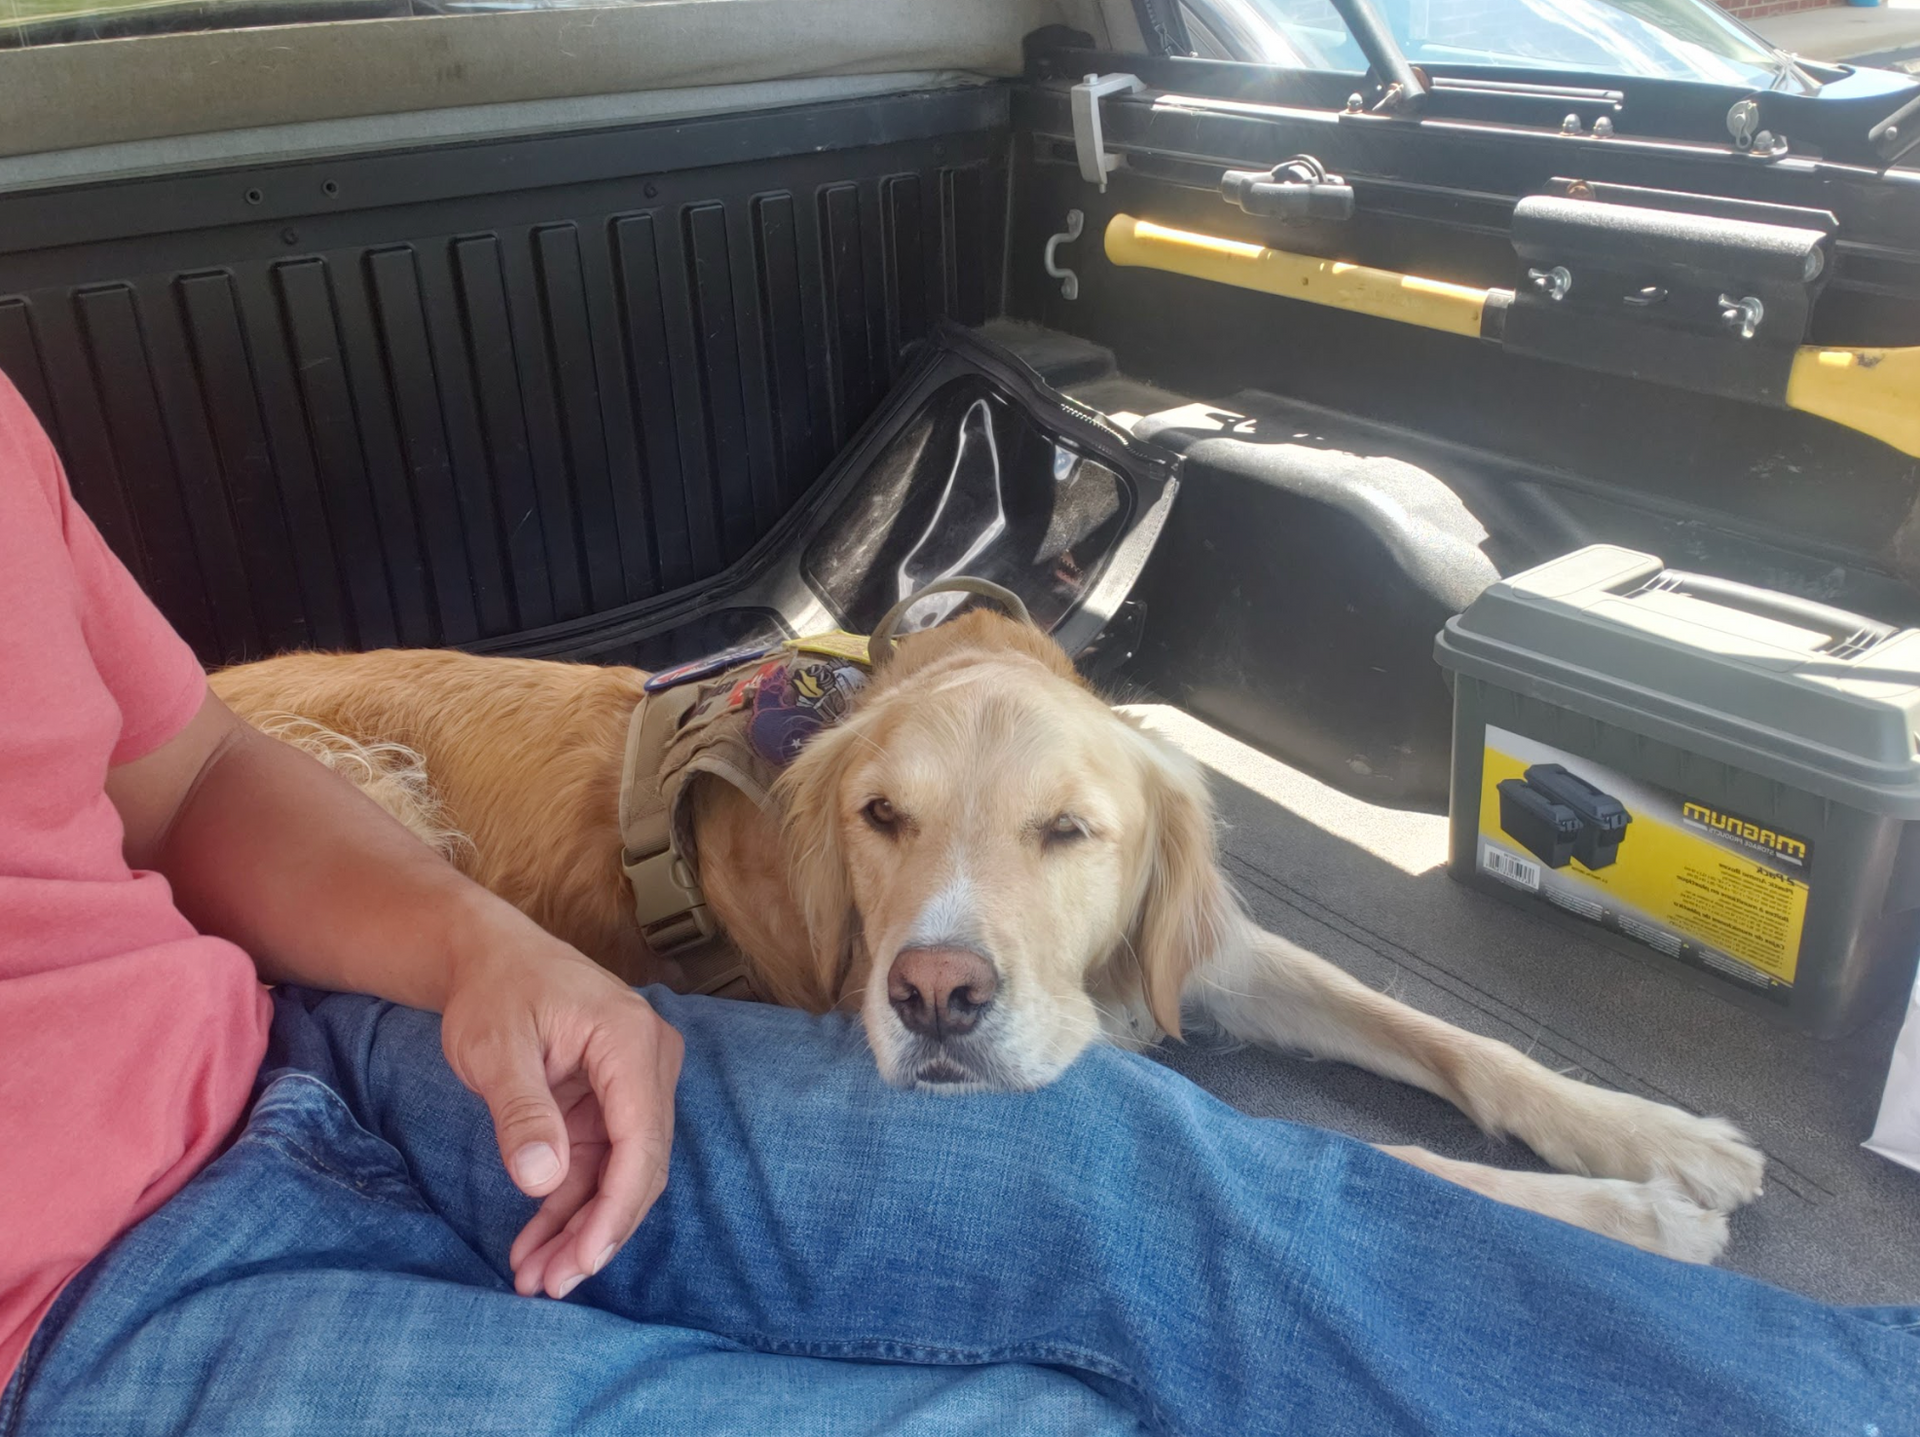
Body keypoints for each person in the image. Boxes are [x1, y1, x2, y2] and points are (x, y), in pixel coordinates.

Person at [0, 365, 1913, 1437]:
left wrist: (475, 939)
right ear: (855, 837)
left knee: (1149, 1178)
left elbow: (183, 776)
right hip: (77, 1302)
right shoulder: (856, 864)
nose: (921, 945)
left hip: (286, 1043)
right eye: (890, 837)